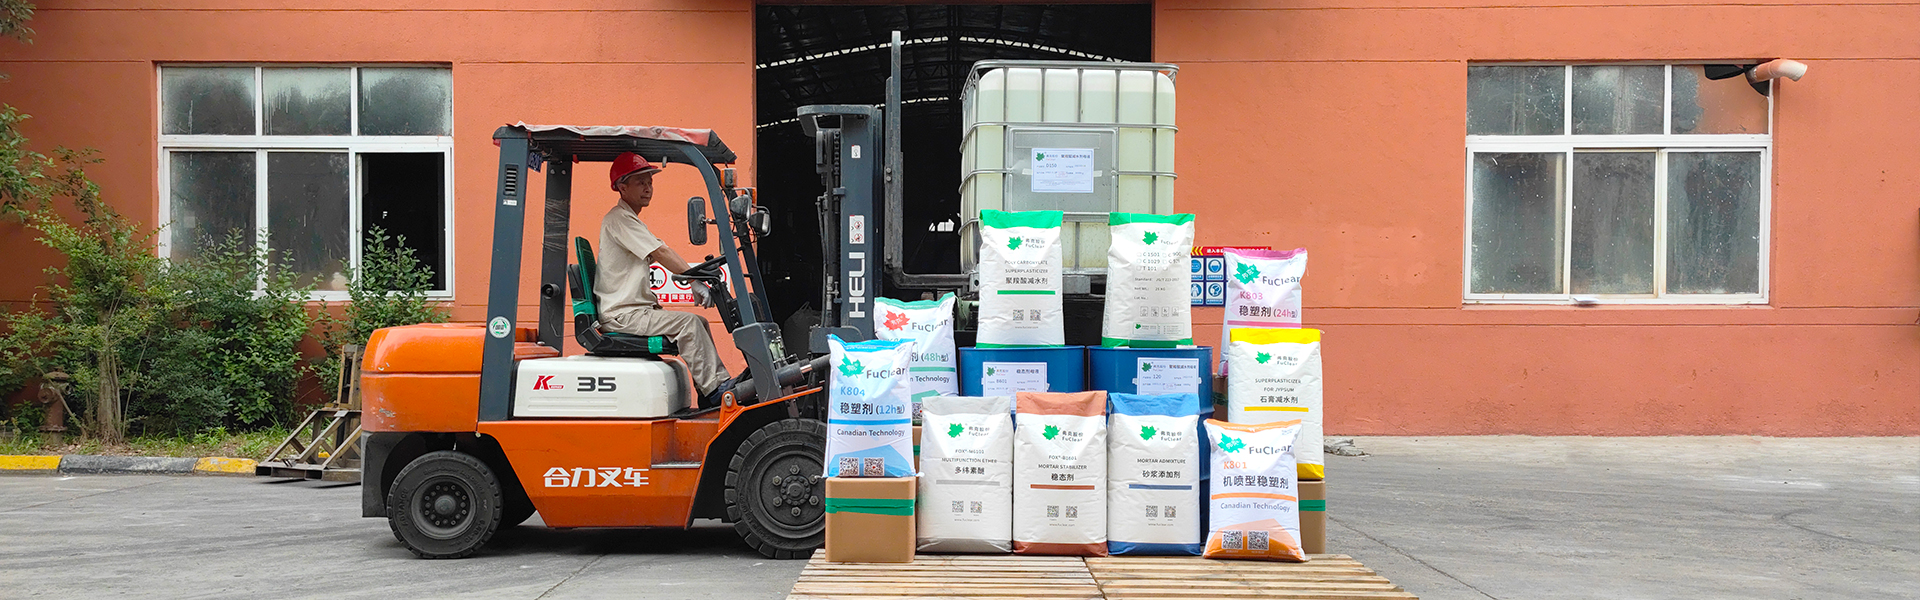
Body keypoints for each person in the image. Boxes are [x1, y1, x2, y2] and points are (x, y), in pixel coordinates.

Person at [597, 152, 733, 406]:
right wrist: (694, 280)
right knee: (688, 324)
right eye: (641, 182)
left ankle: (709, 391)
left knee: (699, 322)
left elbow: (660, 250)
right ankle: (716, 391)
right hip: (624, 314)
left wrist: (695, 277)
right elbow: (661, 252)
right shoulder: (620, 219)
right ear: (622, 187)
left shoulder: (629, 220)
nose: (648, 188)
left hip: (633, 311)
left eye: (650, 182)